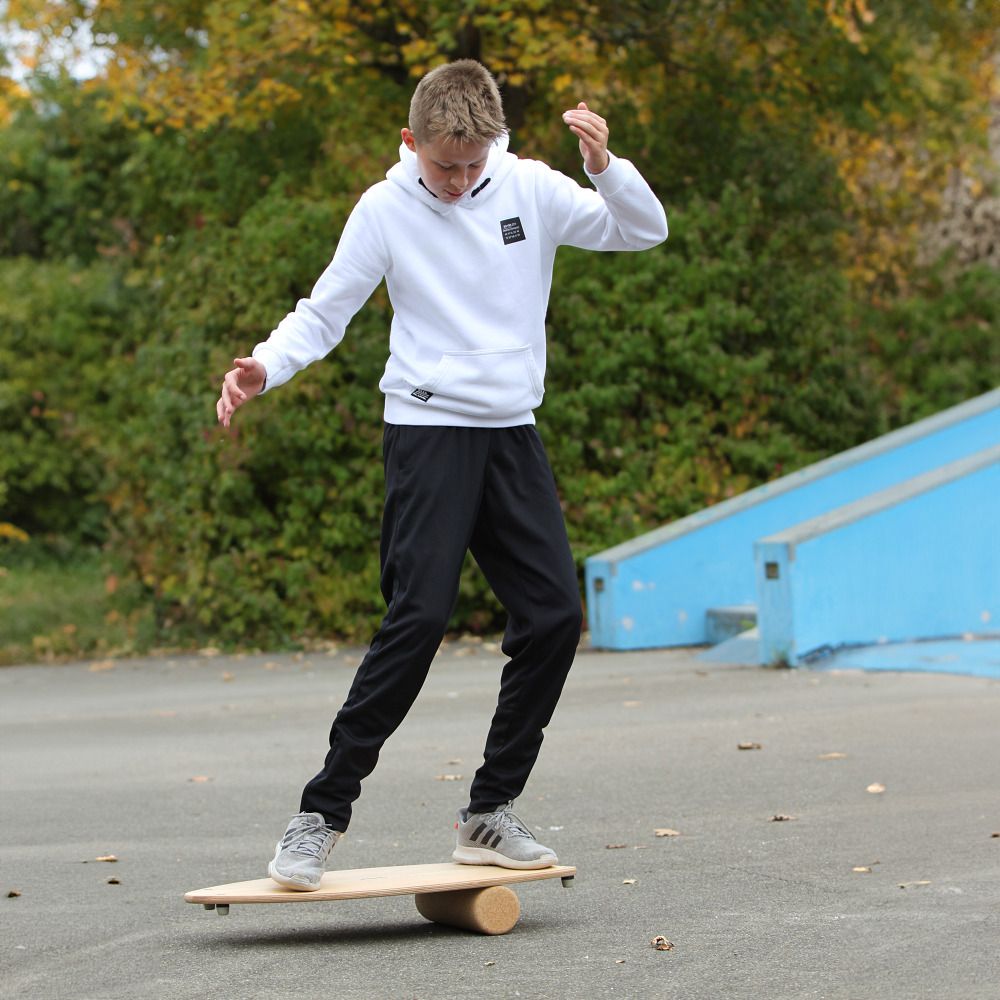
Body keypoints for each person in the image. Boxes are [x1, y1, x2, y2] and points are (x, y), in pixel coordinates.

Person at [216, 59, 667, 891]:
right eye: (441, 166)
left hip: (510, 433)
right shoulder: (384, 208)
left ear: (495, 143)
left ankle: (489, 813)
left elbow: (642, 231)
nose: (457, 183)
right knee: (417, 618)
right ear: (409, 142)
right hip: (427, 431)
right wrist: (267, 368)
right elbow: (326, 310)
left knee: (553, 616)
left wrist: (606, 168)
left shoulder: (529, 187)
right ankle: (320, 813)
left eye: (471, 166)